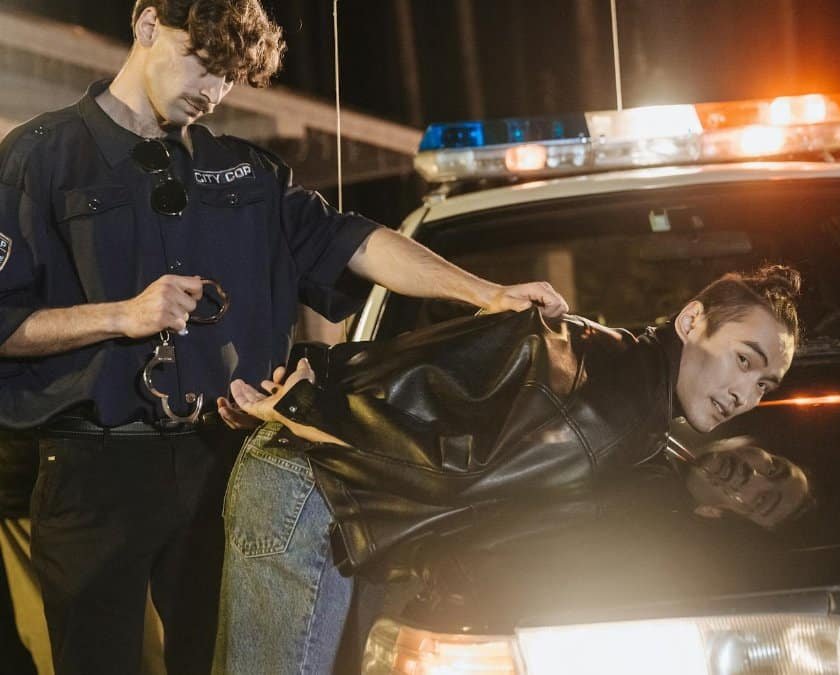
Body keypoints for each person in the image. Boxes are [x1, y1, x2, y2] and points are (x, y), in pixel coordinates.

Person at [0, 1, 566, 673]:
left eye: (230, 77)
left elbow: (356, 242)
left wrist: (490, 293)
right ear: (148, 25)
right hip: (95, 469)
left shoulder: (249, 174)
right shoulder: (39, 157)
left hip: (224, 464)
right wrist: (121, 315)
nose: (213, 91)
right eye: (203, 64)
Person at [214, 265, 811, 673]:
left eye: (764, 383)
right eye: (742, 360)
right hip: (309, 486)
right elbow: (452, 476)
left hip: (329, 474)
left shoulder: (626, 374)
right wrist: (299, 409)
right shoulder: (614, 413)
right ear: (690, 322)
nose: (746, 394)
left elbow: (437, 371)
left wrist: (318, 381)